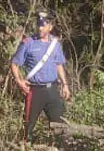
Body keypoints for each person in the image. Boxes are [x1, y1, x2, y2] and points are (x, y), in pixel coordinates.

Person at [9, 10, 70, 141]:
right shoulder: (28, 43)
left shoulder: (55, 44)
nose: (40, 28)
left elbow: (59, 65)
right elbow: (14, 63)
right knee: (28, 127)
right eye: (38, 25)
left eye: (43, 25)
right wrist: (19, 81)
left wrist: (65, 85)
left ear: (50, 27)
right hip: (34, 91)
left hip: (52, 90)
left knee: (60, 126)